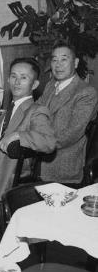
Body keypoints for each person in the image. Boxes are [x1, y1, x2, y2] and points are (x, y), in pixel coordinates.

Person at [0, 58, 56, 202]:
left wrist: (18, 135)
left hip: (6, 172)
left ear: (34, 84)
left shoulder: (37, 111)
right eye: (13, 76)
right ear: (8, 79)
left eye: (23, 78)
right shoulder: (8, 110)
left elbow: (49, 142)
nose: (17, 82)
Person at [38, 42, 98, 183]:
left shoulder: (86, 93)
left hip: (62, 165)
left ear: (76, 63)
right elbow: (34, 112)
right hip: (38, 157)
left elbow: (70, 134)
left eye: (64, 59)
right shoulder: (50, 85)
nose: (58, 65)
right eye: (54, 60)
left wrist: (33, 142)